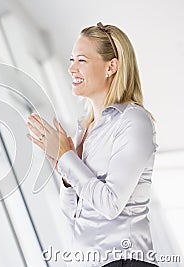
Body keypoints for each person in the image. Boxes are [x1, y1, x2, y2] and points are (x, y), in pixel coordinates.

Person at [27, 22, 158, 267]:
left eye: (82, 60)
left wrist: (67, 158)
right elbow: (74, 216)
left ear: (111, 67)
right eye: (71, 59)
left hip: (124, 260)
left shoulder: (133, 120)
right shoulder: (85, 129)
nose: (71, 68)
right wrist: (67, 175)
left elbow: (110, 204)